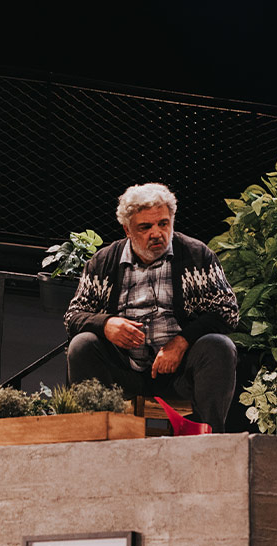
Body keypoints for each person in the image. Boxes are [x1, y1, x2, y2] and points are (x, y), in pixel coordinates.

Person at [64, 182, 239, 432]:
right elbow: (73, 316)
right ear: (127, 229)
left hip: (178, 374)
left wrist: (182, 342)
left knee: (219, 345)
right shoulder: (103, 262)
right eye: (145, 227)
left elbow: (227, 311)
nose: (157, 233)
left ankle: (209, 441)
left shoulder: (196, 255)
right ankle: (93, 437)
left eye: (163, 224)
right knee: (82, 345)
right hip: (123, 373)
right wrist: (106, 324)